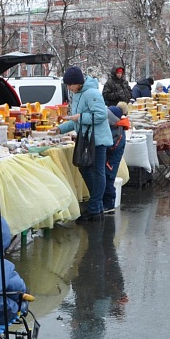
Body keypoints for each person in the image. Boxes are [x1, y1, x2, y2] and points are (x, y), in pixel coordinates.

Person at [53, 66, 113, 222]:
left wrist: (80, 117)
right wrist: (59, 130)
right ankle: (96, 205)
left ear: (77, 82)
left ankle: (94, 208)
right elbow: (76, 120)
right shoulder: (78, 95)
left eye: (70, 85)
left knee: (97, 172)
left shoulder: (91, 93)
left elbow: (100, 115)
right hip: (86, 138)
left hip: (97, 140)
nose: (68, 88)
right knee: (84, 167)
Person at [103, 106, 129, 214]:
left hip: (111, 161)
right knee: (106, 179)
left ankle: (109, 204)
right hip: (109, 159)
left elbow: (113, 146)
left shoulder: (118, 131)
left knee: (109, 179)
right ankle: (106, 202)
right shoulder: (115, 128)